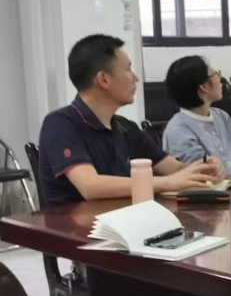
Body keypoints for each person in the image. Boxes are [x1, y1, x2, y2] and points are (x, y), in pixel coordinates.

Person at [38, 34, 220, 206]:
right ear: (103, 79)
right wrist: (167, 183)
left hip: (124, 219)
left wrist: (204, 169)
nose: (135, 78)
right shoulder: (60, 124)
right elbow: (90, 186)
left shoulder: (125, 127)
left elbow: (175, 169)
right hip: (76, 225)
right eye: (128, 69)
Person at [162, 55, 231, 176]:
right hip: (217, 186)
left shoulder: (222, 116)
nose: (220, 78)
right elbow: (204, 175)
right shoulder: (179, 130)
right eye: (216, 74)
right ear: (204, 87)